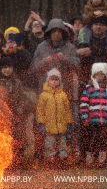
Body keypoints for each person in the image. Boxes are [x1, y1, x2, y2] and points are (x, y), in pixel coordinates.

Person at [30, 19, 80, 157]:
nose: (56, 34)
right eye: (54, 31)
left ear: (64, 33)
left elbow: (77, 65)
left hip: (65, 92)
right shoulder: (41, 47)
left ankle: (66, 153)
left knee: (65, 124)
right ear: (49, 33)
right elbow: (33, 69)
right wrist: (44, 62)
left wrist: (64, 58)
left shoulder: (69, 48)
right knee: (43, 123)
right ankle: (41, 151)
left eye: (59, 31)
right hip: (45, 93)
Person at [0, 57, 36, 166]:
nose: (7, 70)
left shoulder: (17, 83)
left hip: (15, 116)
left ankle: (16, 161)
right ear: (0, 69)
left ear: (12, 68)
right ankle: (0, 163)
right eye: (4, 67)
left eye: (9, 67)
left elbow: (22, 98)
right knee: (0, 139)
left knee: (16, 139)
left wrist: (19, 109)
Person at [80, 63, 107, 167]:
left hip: (105, 121)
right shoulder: (89, 89)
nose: (99, 77)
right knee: (93, 139)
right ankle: (89, 159)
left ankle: (101, 161)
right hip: (93, 121)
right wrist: (85, 117)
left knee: (103, 140)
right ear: (93, 76)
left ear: (105, 76)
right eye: (97, 74)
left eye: (101, 74)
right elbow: (84, 104)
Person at [36, 69, 72, 163]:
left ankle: (62, 158)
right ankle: (50, 158)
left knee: (62, 143)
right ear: (48, 81)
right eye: (52, 79)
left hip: (62, 126)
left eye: (56, 79)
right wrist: (41, 123)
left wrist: (69, 123)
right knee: (50, 144)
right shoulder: (44, 95)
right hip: (49, 126)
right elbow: (40, 110)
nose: (54, 82)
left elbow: (67, 110)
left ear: (59, 81)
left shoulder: (63, 95)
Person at [77, 15, 107, 86]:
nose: (98, 27)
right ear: (91, 26)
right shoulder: (84, 41)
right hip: (87, 82)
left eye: (102, 25)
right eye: (96, 24)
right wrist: (78, 52)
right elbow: (72, 56)